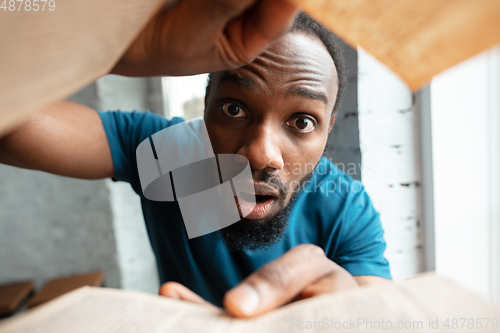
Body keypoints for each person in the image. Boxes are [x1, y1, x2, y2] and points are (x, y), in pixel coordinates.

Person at [0, 13, 391, 318]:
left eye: (302, 122)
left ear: (328, 132)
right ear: (205, 106)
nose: (261, 154)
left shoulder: (347, 208)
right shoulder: (166, 154)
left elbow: (377, 310)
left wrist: (351, 311)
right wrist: (124, 50)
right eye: (234, 109)